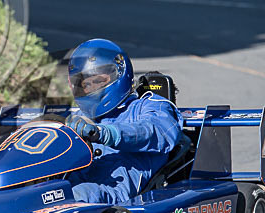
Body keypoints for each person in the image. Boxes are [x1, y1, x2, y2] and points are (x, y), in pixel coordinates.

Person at [64, 38, 183, 204]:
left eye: (98, 81)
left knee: (77, 195)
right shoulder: (79, 117)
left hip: (116, 188)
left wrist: (104, 133)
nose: (91, 88)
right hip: (76, 177)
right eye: (85, 84)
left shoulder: (149, 105)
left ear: (120, 73)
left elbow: (156, 131)